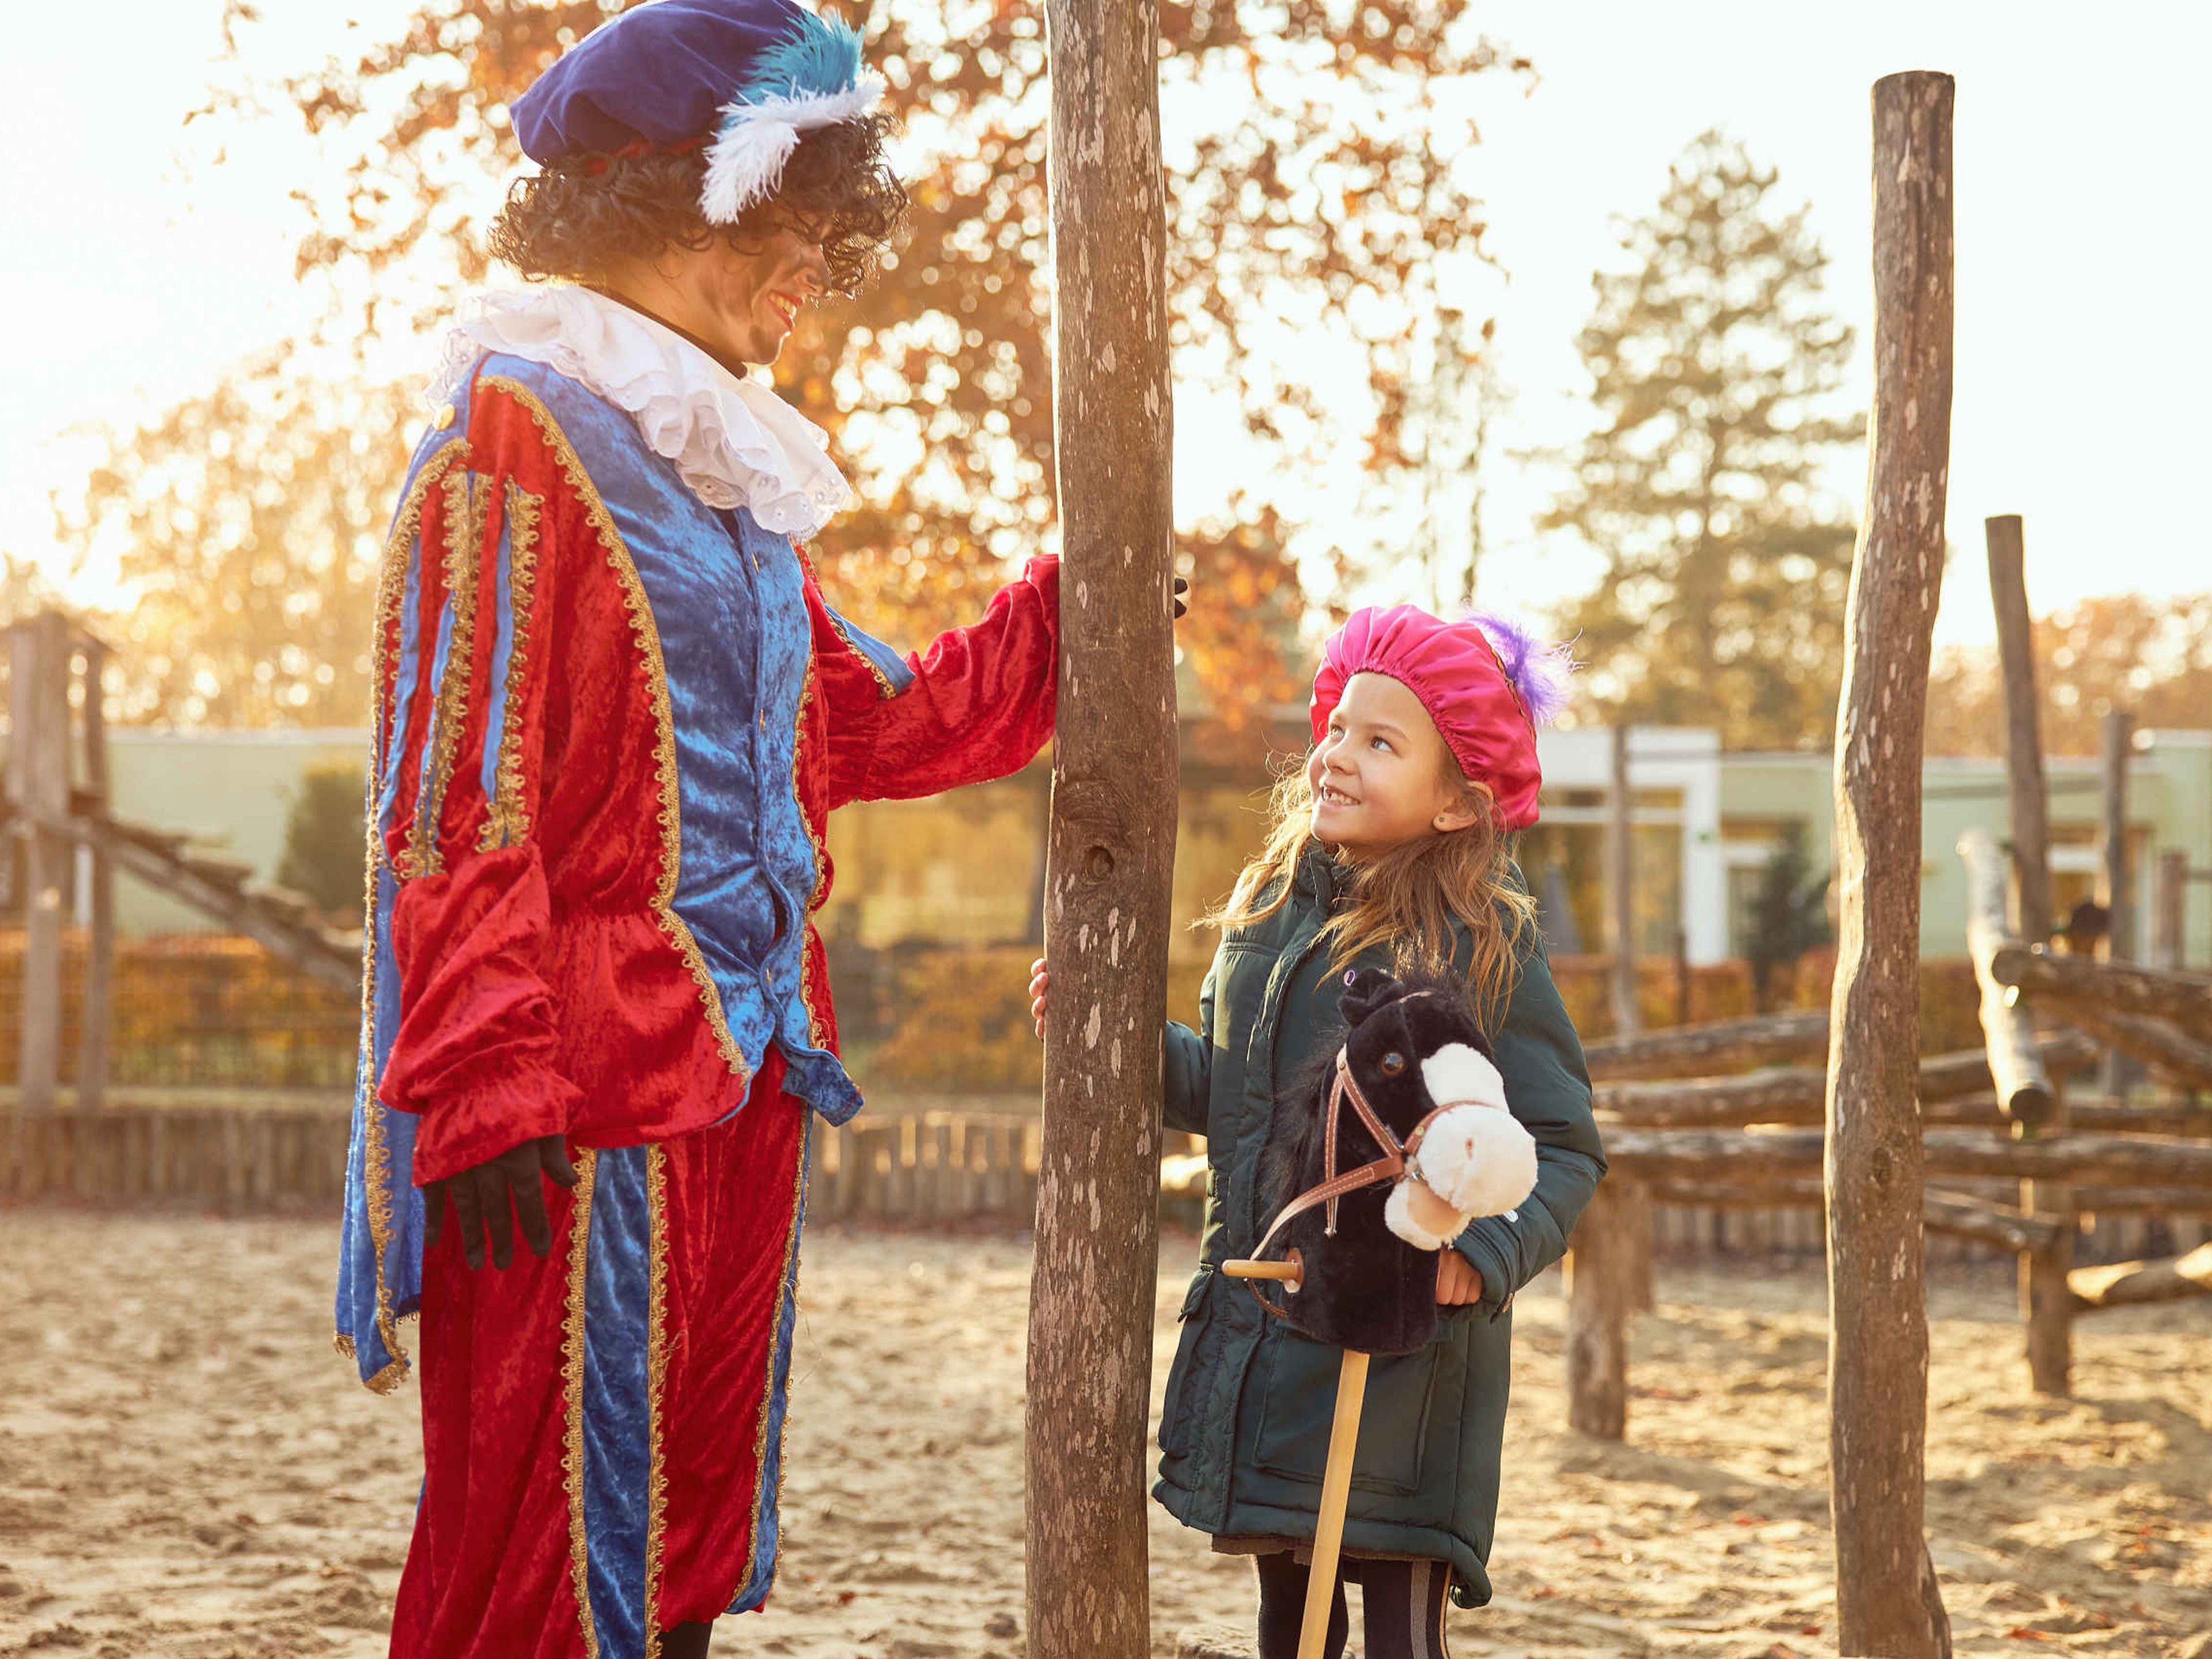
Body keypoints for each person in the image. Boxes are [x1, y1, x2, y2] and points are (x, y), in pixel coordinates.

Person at [332, 5, 1065, 1655]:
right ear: (692, 199)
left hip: (745, 1075)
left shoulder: (716, 482)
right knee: (540, 1535)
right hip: (574, 1105)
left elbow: (863, 715)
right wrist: (489, 1073)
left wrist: (1074, 617)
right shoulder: (512, 435)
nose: (826, 260)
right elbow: (454, 794)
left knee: (684, 1528)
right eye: (807, 216)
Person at [1032, 605, 1605, 1659]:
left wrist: (1480, 1257)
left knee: (1397, 1626)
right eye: (1338, 727)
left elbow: (1563, 1146)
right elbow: (1242, 1102)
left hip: (1406, 1352)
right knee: (1291, 1627)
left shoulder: (1481, 945)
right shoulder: (1264, 917)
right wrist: (1113, 1038)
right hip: (1272, 1329)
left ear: (1456, 802)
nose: (1337, 756)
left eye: (1382, 743)